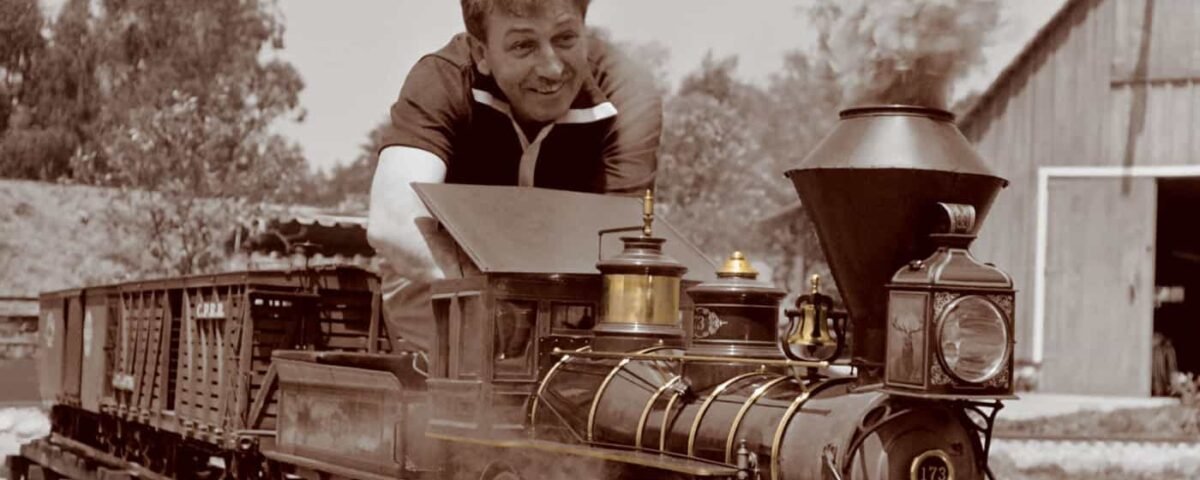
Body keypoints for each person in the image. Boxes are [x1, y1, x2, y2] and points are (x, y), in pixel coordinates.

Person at [367, 0, 663, 353]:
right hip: (444, 288)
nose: (552, 68)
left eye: (566, 38)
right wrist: (495, 297)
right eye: (523, 45)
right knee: (454, 389)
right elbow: (393, 224)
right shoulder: (441, 78)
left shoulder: (627, 94)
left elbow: (622, 245)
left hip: (568, 292)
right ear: (481, 52)